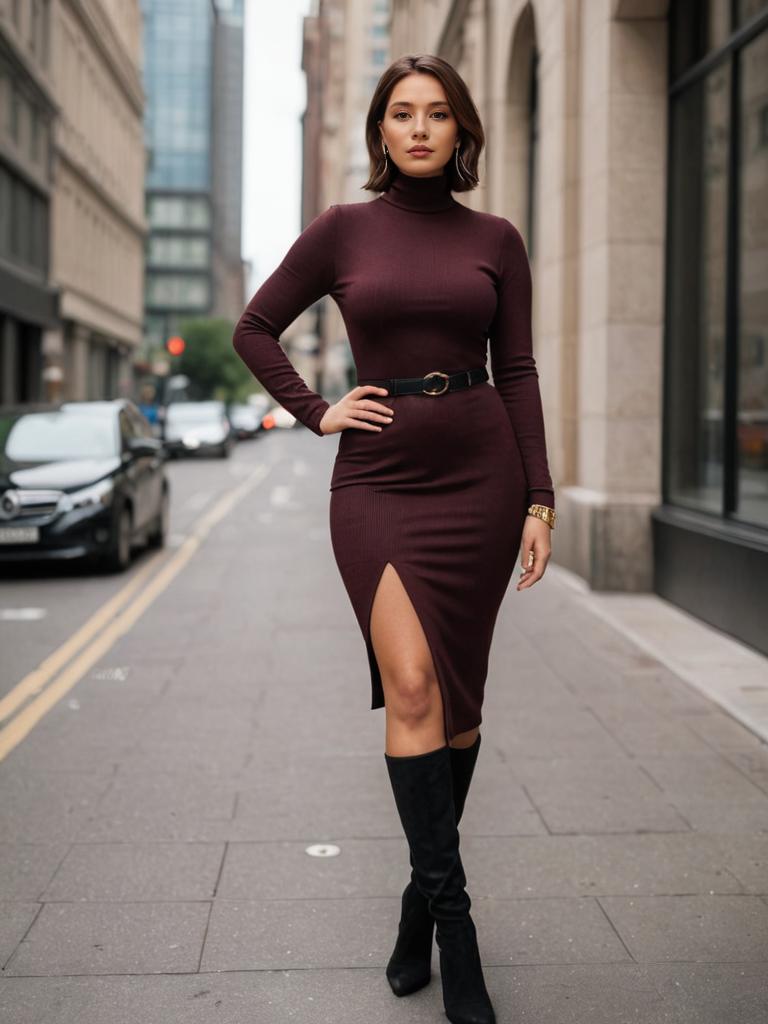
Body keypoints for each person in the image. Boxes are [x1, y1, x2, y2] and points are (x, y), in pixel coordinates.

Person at [233, 52, 556, 1024]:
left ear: (462, 133)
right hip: (376, 484)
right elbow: (257, 328)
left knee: (456, 705)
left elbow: (523, 370)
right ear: (380, 132)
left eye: (438, 114)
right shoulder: (343, 231)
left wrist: (539, 498)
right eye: (402, 114)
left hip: (482, 477)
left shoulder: (496, 237)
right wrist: (316, 411)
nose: (419, 128)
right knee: (411, 685)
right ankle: (458, 930)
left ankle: (417, 906)